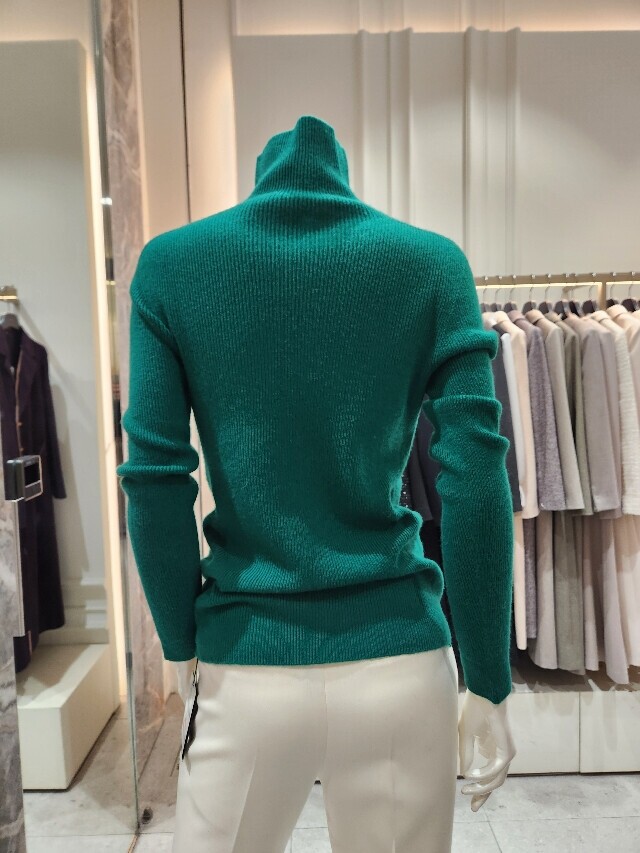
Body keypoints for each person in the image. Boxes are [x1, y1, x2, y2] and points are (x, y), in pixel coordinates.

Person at [117, 114, 516, 853]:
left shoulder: (171, 266)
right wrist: (488, 677)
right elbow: (476, 475)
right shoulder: (432, 265)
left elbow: (155, 477)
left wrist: (180, 639)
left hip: (247, 665)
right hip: (400, 667)